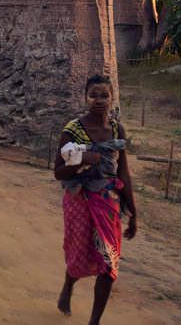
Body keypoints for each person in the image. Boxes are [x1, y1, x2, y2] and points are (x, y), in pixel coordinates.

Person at [53, 75, 137, 325]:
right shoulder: (72, 131)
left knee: (108, 263)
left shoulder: (116, 130)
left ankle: (94, 322)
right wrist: (83, 159)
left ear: (112, 98)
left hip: (108, 201)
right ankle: (69, 285)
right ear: (85, 97)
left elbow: (123, 172)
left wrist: (133, 212)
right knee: (79, 257)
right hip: (79, 200)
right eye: (93, 95)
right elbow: (59, 172)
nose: (99, 101)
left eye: (104, 95)